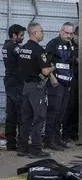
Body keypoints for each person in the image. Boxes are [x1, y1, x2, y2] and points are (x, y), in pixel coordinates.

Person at [18, 23, 54, 158]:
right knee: (39, 117)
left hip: (26, 86)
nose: (43, 34)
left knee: (26, 117)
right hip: (36, 87)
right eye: (41, 31)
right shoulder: (39, 50)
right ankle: (36, 149)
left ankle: (22, 147)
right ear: (34, 33)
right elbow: (45, 71)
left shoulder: (23, 48)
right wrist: (52, 68)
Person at [43, 22, 75, 151]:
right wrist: (52, 78)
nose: (68, 35)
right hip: (56, 83)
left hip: (67, 82)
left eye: (71, 33)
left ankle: (57, 138)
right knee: (53, 111)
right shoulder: (53, 43)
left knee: (62, 111)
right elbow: (46, 61)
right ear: (61, 31)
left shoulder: (70, 45)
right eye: (66, 33)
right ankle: (48, 140)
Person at [2, 24, 25, 151]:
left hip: (10, 83)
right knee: (21, 113)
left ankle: (11, 143)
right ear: (14, 35)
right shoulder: (13, 47)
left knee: (11, 113)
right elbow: (24, 59)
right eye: (21, 35)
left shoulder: (6, 45)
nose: (23, 37)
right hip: (15, 84)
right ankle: (21, 143)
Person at [62, 26, 80, 142]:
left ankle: (74, 132)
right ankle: (66, 133)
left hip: (80, 80)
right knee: (69, 107)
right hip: (69, 79)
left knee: (77, 107)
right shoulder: (68, 46)